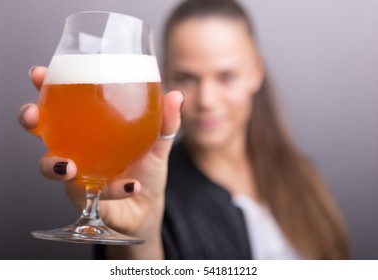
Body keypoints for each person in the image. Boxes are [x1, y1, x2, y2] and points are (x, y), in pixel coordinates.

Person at [19, 0, 349, 259]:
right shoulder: (149, 189)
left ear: (256, 72)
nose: (206, 100)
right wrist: (142, 230)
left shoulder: (302, 174)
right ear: (166, 78)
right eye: (187, 77)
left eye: (227, 76)